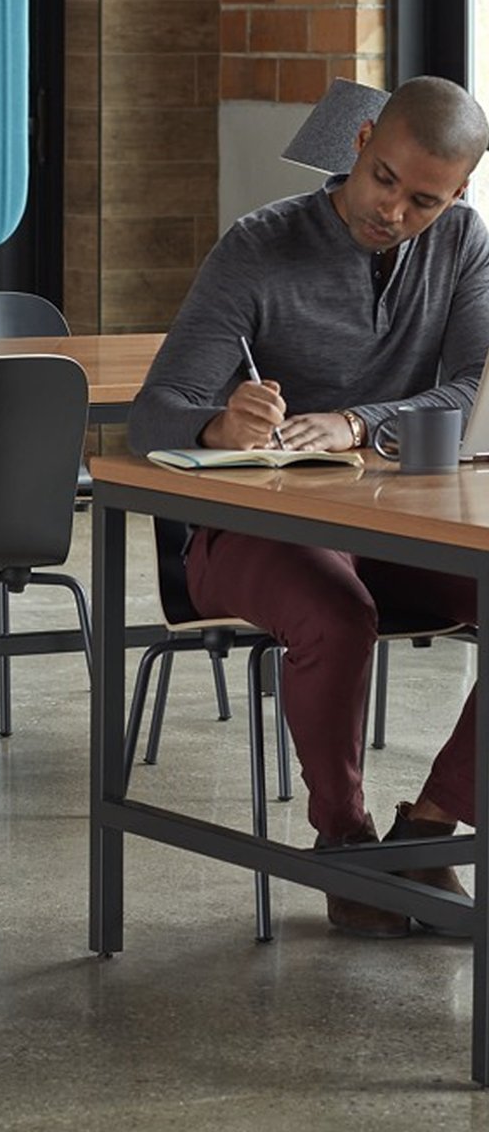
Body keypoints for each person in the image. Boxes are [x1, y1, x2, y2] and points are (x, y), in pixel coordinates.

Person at [127, 75, 489, 938]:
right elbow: (152, 415)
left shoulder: (464, 243)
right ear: (361, 141)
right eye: (386, 181)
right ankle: (346, 848)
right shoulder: (258, 246)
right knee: (337, 609)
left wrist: (355, 422)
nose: (395, 211)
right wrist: (219, 420)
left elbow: (473, 390)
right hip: (249, 535)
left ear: (460, 197)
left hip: (398, 524)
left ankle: (429, 827)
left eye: (425, 201)